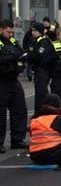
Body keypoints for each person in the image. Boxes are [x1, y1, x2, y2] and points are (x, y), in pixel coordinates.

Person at [0, 19, 29, 153]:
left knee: (20, 110)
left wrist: (19, 61)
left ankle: (17, 140)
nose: (11, 34)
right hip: (2, 81)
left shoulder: (12, 42)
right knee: (1, 114)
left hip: (13, 80)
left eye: (12, 32)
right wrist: (12, 58)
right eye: (8, 32)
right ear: (1, 29)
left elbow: (21, 55)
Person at [28, 93, 61, 166]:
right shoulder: (58, 119)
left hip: (36, 156)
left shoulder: (34, 120)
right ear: (58, 106)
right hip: (55, 154)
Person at [28, 21, 56, 114]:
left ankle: (40, 115)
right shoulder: (36, 41)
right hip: (39, 70)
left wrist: (30, 55)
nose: (33, 32)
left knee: (41, 94)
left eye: (35, 31)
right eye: (32, 30)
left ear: (40, 31)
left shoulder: (44, 42)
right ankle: (39, 114)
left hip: (43, 71)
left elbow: (39, 56)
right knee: (39, 94)